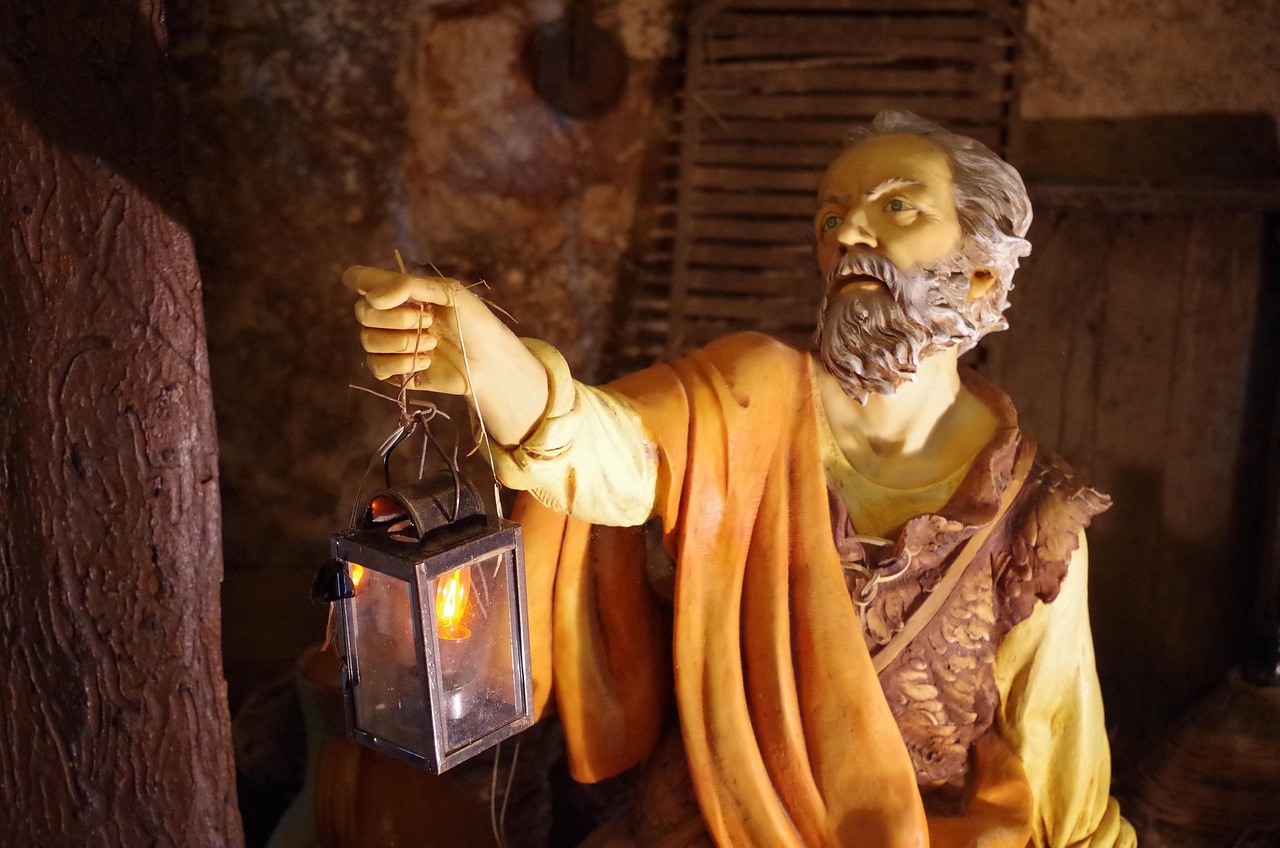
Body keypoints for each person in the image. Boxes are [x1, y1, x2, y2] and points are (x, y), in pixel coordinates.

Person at [346, 110, 1136, 847]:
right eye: (830, 218)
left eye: (898, 206)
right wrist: (496, 367)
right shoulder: (748, 399)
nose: (848, 230)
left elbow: (1056, 744)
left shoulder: (1033, 513)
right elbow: (606, 454)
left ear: (981, 272)